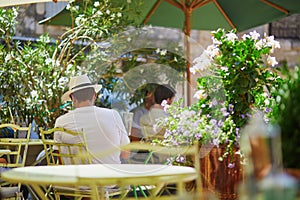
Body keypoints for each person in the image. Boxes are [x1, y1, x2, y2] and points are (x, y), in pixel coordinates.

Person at [54, 74, 130, 164]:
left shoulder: (61, 122)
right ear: (94, 95)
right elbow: (126, 153)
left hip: (76, 176)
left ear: (73, 98)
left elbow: (59, 159)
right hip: (111, 176)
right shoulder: (113, 115)